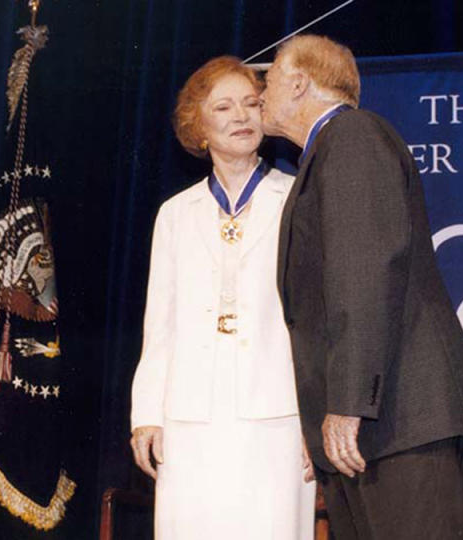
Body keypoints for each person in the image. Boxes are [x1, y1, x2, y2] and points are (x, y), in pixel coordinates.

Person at [259, 34, 463, 539]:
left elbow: (365, 274)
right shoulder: (327, 152)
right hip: (379, 425)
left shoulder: (351, 136)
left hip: (400, 418)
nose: (262, 90)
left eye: (270, 75)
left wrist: (347, 403)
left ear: (299, 81)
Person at [129, 56, 315, 539]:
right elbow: (160, 323)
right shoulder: (175, 213)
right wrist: (147, 415)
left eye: (252, 104)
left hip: (276, 415)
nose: (242, 116)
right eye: (224, 107)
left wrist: (314, 418)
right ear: (198, 126)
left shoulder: (299, 198)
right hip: (191, 419)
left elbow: (316, 320)